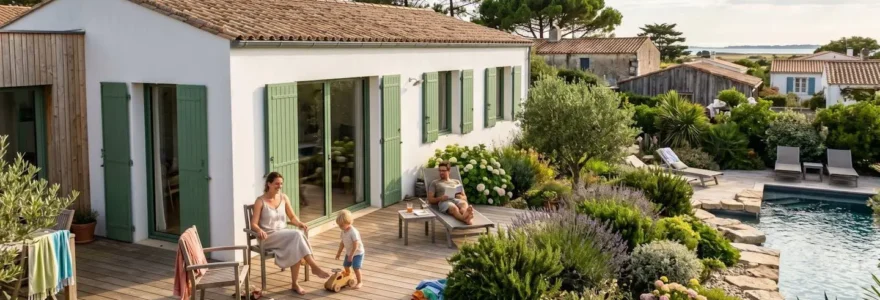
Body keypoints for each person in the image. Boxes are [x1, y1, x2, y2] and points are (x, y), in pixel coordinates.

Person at [251, 172, 330, 295]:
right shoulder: (260, 201)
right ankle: (313, 266)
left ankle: (295, 283)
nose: (279, 186)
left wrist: (299, 223)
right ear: (269, 184)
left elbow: (292, 217)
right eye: (277, 183)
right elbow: (253, 224)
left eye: (281, 183)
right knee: (297, 235)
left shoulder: (284, 198)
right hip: (268, 237)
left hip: (284, 235)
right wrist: (259, 230)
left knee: (296, 243)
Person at [334, 210, 365, 289]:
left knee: (356, 267)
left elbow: (356, 245)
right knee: (346, 265)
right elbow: (342, 243)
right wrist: (339, 253)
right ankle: (349, 276)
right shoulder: (343, 231)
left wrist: (351, 255)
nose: (340, 227)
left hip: (357, 253)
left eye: (342, 225)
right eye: (339, 225)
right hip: (349, 252)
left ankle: (360, 282)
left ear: (349, 222)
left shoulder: (353, 232)